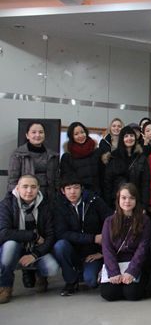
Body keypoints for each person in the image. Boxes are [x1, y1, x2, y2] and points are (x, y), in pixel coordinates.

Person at [0, 175, 59, 303]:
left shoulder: (46, 206)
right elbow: (3, 233)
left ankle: (40, 276)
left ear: (38, 188)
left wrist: (35, 255)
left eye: (33, 187)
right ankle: (5, 286)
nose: (29, 191)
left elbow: (51, 236)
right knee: (10, 246)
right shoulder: (6, 204)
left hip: (36, 250)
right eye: (25, 186)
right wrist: (34, 236)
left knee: (52, 268)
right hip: (15, 249)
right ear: (17, 188)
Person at [53, 175, 112, 296]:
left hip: (93, 252)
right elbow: (61, 233)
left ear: (82, 189)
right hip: (73, 250)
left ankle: (88, 271)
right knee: (60, 246)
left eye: (76, 187)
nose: (72, 192)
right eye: (68, 188)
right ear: (63, 191)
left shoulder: (94, 201)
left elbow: (111, 223)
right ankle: (71, 281)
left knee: (91, 281)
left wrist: (101, 252)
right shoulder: (58, 206)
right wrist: (92, 238)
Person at [100, 183, 151, 301]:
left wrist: (131, 271)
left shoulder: (144, 220)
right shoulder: (109, 221)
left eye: (131, 198)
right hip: (116, 262)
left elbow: (143, 247)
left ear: (136, 200)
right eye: (123, 198)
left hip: (135, 263)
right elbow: (107, 248)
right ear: (118, 199)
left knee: (132, 293)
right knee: (109, 294)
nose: (127, 201)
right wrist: (114, 272)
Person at [7, 121, 59, 203]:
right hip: (26, 197)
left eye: (41, 132)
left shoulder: (52, 155)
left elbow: (56, 179)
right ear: (27, 135)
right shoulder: (18, 154)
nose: (37, 135)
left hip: (48, 197)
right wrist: (15, 200)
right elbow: (12, 181)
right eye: (34, 132)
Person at [103, 126, 150, 209]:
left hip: (136, 201)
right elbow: (108, 183)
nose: (129, 138)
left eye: (132, 136)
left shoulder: (141, 157)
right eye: (126, 136)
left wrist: (144, 206)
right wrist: (108, 206)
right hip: (117, 202)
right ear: (122, 139)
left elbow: (145, 183)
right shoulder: (113, 157)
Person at [60, 122, 103, 195]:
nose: (80, 136)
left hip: (98, 194)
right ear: (71, 136)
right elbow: (66, 180)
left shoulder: (97, 152)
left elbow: (103, 176)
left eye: (82, 132)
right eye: (76, 134)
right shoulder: (67, 157)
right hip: (77, 196)